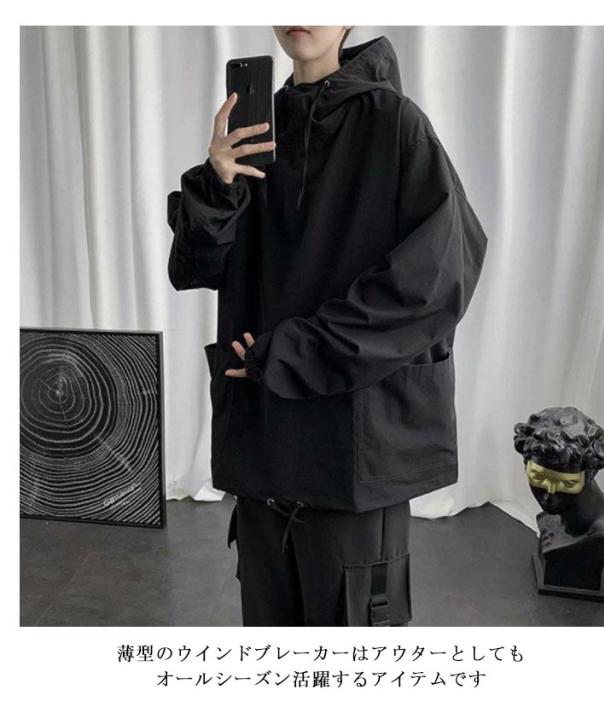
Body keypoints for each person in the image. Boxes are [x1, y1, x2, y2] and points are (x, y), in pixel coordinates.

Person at [167, 27, 488, 626]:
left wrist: (297, 350)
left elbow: (439, 275)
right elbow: (193, 270)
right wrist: (217, 184)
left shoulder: (395, 124)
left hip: (353, 442)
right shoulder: (256, 130)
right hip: (263, 436)